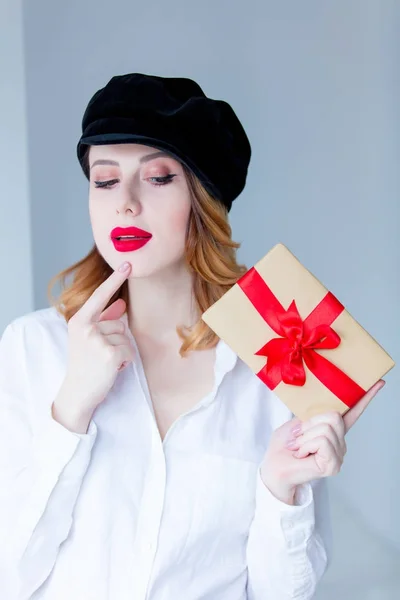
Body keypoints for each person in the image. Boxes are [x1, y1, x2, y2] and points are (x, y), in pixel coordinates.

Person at [0, 72, 385, 600]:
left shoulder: (273, 371)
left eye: (158, 178)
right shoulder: (32, 350)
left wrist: (280, 488)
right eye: (105, 180)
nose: (126, 203)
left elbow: (277, 593)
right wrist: (71, 410)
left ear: (203, 203)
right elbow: (10, 574)